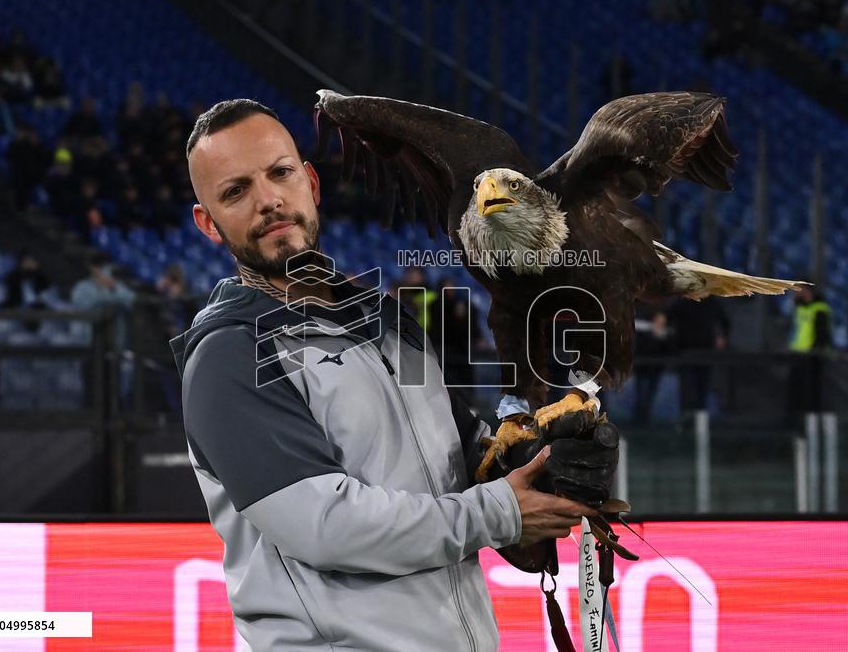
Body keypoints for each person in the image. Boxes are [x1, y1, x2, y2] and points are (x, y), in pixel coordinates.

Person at [170, 99, 604, 650]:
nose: (268, 200)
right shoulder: (228, 356)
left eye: (280, 173)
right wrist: (500, 512)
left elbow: (468, 465)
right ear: (208, 222)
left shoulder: (390, 320)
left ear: (310, 182)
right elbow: (326, 527)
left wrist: (547, 468)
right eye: (236, 191)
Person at [788, 284, 832, 414]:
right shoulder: (800, 308)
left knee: (812, 394)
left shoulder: (819, 309)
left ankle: (811, 424)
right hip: (798, 354)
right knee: (796, 393)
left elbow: (822, 334)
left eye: (798, 290)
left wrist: (816, 350)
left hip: (812, 357)